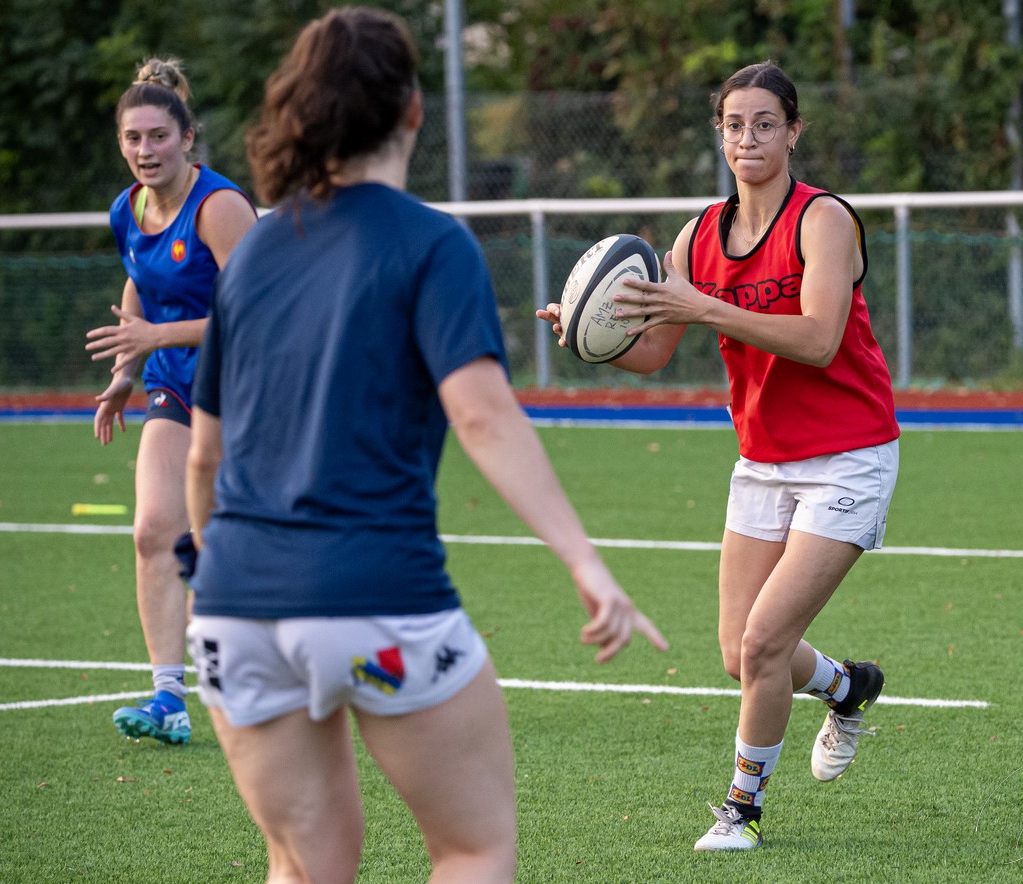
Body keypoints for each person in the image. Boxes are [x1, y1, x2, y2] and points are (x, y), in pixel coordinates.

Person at [182, 8, 668, 883]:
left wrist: (230, 578)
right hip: (376, 601)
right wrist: (588, 566)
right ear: (412, 109)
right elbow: (482, 416)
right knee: (472, 849)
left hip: (234, 610)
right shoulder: (432, 242)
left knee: (300, 868)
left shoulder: (252, 254)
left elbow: (202, 461)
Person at [539, 60, 900, 851]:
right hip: (763, 459)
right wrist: (586, 336)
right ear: (720, 134)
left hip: (848, 454)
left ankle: (741, 811)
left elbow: (819, 338)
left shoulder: (823, 221)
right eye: (734, 125)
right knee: (740, 652)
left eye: (765, 123)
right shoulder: (698, 236)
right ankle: (848, 688)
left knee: (767, 641)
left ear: (794, 130)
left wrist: (707, 306)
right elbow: (657, 350)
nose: (748, 139)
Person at [85, 57, 257, 746]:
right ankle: (167, 698)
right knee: (153, 528)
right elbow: (138, 284)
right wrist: (129, 366)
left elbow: (262, 315)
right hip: (177, 380)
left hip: (251, 381)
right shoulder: (126, 209)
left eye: (158, 136)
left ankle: (348, 663)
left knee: (263, 536)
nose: (144, 150)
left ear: (189, 138)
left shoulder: (220, 208)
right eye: (133, 138)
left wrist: (158, 333)